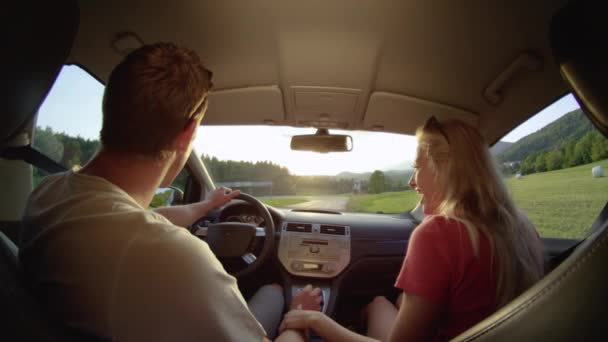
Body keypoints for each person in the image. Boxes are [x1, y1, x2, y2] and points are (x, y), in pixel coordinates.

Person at [19, 43, 320, 341]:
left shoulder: (49, 193)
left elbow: (147, 219)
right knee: (274, 291)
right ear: (186, 133)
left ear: (109, 109)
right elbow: (149, 230)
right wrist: (300, 321)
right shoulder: (174, 258)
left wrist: (205, 206)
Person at [278, 117, 545, 341]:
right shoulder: (523, 227)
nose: (410, 180)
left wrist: (314, 319)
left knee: (376, 306)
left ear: (444, 168)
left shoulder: (438, 233)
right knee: (381, 303)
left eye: (417, 167)